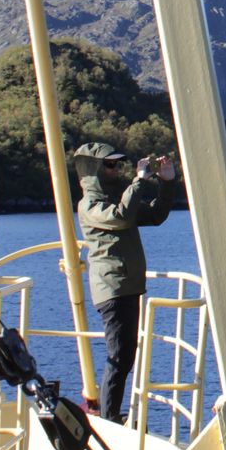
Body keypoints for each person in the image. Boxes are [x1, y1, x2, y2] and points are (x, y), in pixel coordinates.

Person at [70, 141, 180, 423]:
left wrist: (167, 183)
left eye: (118, 164)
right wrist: (139, 182)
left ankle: (111, 414)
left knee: (125, 354)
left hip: (127, 287)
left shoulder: (118, 200)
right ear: (93, 170)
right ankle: (108, 418)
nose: (116, 169)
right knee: (119, 356)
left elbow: (155, 215)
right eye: (109, 164)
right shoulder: (90, 206)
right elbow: (120, 219)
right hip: (113, 288)